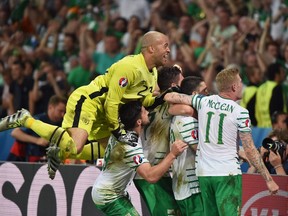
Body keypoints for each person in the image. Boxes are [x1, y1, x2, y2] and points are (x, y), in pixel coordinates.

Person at [0, 31, 172, 179]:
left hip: (105, 113)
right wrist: (119, 132)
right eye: (165, 46)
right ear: (151, 48)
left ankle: (59, 153)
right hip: (89, 102)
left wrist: (164, 97)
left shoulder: (153, 73)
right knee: (76, 145)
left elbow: (145, 100)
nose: (168, 50)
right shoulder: (129, 67)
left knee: (112, 151)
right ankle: (26, 119)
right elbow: (112, 102)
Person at [164, 67, 279, 215]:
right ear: (234, 86)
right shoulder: (240, 112)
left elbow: (171, 98)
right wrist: (268, 179)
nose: (242, 85)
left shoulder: (203, 101)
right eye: (240, 82)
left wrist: (187, 108)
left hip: (204, 175)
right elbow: (250, 149)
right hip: (227, 174)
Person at [91, 100, 188, 216]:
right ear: (139, 122)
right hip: (108, 196)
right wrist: (172, 154)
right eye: (144, 111)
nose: (148, 112)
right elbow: (150, 176)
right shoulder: (130, 147)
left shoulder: (120, 130)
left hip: (111, 192)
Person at [134, 65, 184, 216]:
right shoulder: (170, 104)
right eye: (182, 82)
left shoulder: (150, 101)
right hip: (152, 171)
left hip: (158, 169)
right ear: (174, 87)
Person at [169, 76, 208, 216]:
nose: (208, 94)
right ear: (194, 95)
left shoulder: (184, 116)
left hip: (186, 187)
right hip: (191, 188)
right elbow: (199, 149)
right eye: (205, 90)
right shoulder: (186, 120)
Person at [7, 95, 67, 162]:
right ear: (50, 107)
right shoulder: (37, 120)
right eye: (60, 111)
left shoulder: (62, 125)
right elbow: (15, 133)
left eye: (64, 112)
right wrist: (37, 140)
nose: (62, 115)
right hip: (34, 161)